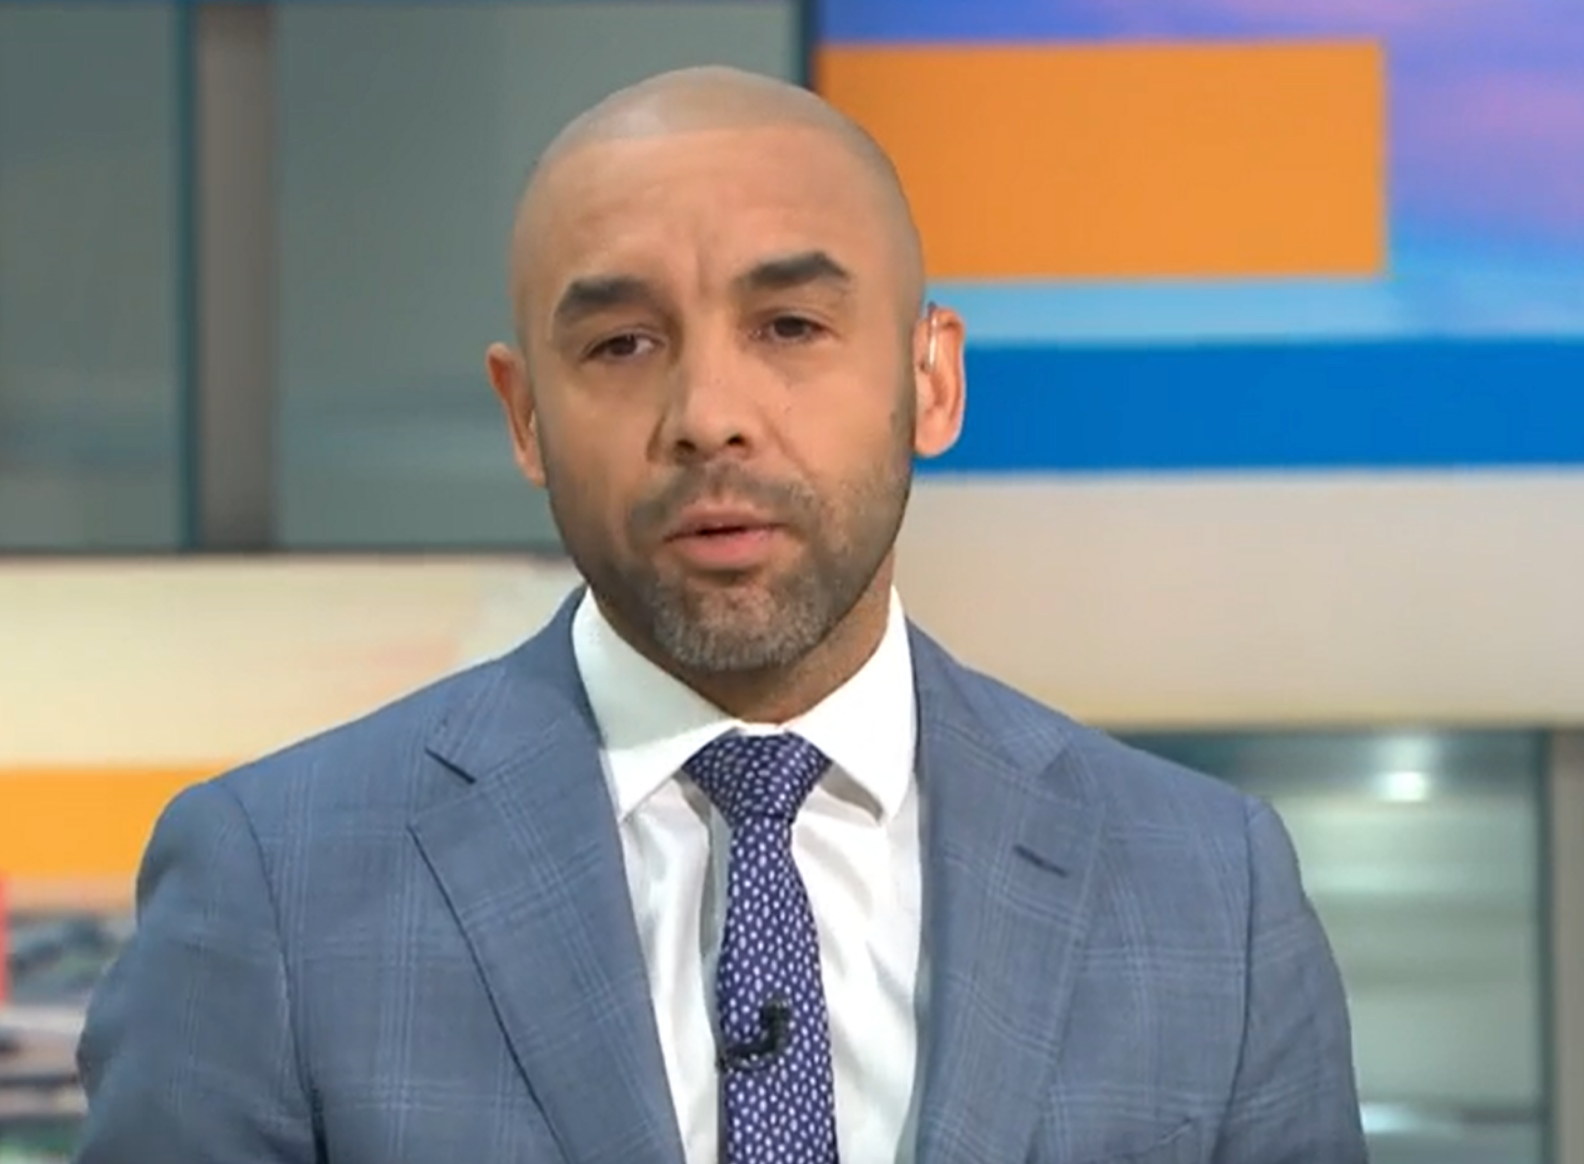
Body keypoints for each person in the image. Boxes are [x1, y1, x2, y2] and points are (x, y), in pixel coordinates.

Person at [73, 66, 1366, 1164]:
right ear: (525, 417)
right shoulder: (275, 891)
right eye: (622, 345)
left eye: (790, 325)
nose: (709, 415)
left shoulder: (1209, 897)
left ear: (932, 380)